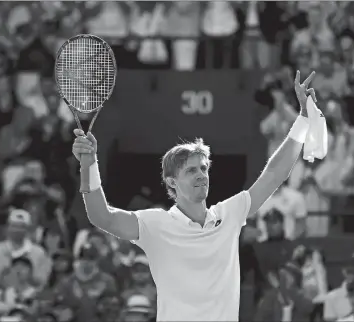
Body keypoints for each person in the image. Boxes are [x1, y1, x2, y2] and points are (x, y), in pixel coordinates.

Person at [71, 70, 321, 321]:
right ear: (171, 182)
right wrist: (89, 165)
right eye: (191, 170)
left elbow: (274, 173)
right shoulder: (155, 224)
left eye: (203, 168)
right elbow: (101, 216)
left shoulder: (230, 213)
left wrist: (302, 120)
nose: (201, 175)